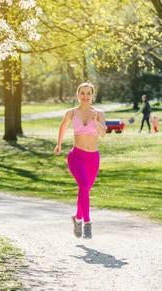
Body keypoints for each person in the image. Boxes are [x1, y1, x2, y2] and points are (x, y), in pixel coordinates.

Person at [54, 82, 106, 239]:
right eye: (82, 93)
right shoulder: (72, 113)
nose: (85, 96)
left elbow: (103, 134)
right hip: (76, 156)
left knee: (85, 190)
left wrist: (95, 121)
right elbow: (63, 126)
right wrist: (59, 144)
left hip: (93, 158)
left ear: (92, 95)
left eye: (88, 93)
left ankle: (77, 219)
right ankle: (87, 223)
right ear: (78, 95)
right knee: (83, 185)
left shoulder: (99, 113)